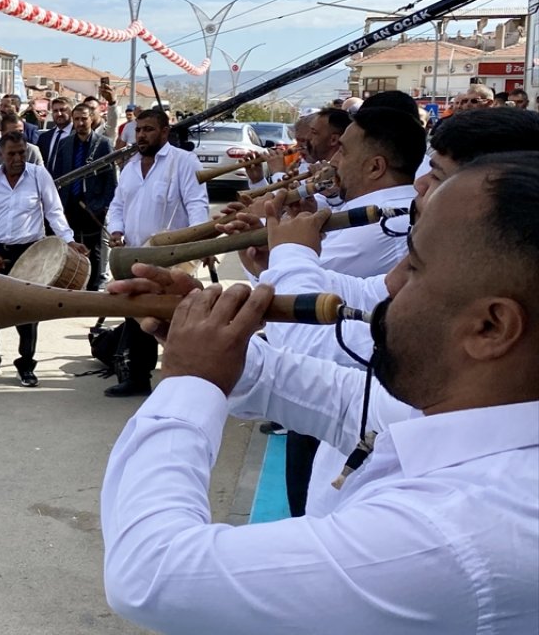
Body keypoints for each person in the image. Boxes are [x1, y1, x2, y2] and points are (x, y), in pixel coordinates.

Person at [100, 152, 539, 634]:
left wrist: (189, 380)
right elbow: (350, 398)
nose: (389, 285)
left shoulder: (449, 536)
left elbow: (152, 573)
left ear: (491, 327)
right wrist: (221, 343)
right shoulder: (494, 410)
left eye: (413, 267)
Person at [102, 107, 210, 397]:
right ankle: (137, 378)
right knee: (137, 317)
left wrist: (201, 243)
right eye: (138, 130)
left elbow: (197, 204)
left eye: (149, 129)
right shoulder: (130, 166)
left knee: (174, 318)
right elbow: (118, 205)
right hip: (134, 255)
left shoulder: (184, 161)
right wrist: (116, 229)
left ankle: (185, 379)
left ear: (165, 131)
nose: (142, 135)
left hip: (173, 258)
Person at [0, 132, 85, 386]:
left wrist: (68, 241)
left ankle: (26, 365)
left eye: (22, 152)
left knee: (28, 311)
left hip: (31, 251)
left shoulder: (38, 175)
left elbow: (54, 212)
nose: (18, 158)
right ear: (1, 154)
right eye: (12, 154)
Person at [54, 104, 118, 292]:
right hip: (70, 202)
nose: (80, 123)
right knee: (72, 245)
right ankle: (74, 283)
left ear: (91, 119)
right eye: (77, 119)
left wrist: (104, 205)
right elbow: (58, 175)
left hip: (93, 204)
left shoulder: (103, 143)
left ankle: (93, 286)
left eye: (84, 119)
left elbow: (110, 179)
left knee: (94, 247)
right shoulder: (65, 144)